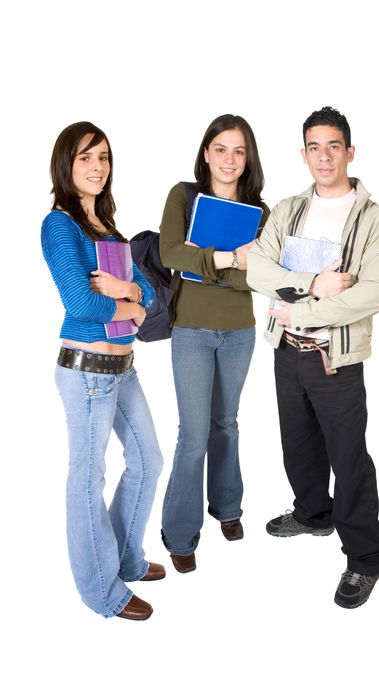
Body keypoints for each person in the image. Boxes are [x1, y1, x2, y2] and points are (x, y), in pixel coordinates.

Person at [247, 106, 379, 609]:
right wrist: (313, 284)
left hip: (336, 358)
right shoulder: (287, 209)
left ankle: (366, 557)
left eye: (334, 145)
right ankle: (313, 513)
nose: (324, 155)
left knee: (348, 458)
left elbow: (373, 293)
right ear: (303, 154)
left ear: (349, 152)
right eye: (315, 146)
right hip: (287, 351)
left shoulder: (374, 220)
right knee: (298, 445)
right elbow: (258, 271)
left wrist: (304, 307)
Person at [41, 121, 164, 620]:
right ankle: (101, 591)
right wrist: (127, 301)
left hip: (123, 368)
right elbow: (79, 301)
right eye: (86, 158)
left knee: (148, 459)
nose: (97, 167)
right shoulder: (60, 225)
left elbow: (149, 293)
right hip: (87, 372)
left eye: (104, 158)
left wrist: (127, 293)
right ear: (67, 165)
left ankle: (127, 560)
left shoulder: (108, 228)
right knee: (87, 478)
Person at [159, 114, 269, 573]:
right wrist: (226, 259)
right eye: (221, 149)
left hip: (239, 331)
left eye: (239, 151)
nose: (229, 159)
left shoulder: (261, 214)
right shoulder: (184, 196)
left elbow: (260, 277)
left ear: (248, 160)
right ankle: (180, 534)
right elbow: (170, 253)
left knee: (226, 422)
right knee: (193, 434)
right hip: (192, 330)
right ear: (206, 153)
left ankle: (227, 507)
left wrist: (204, 262)